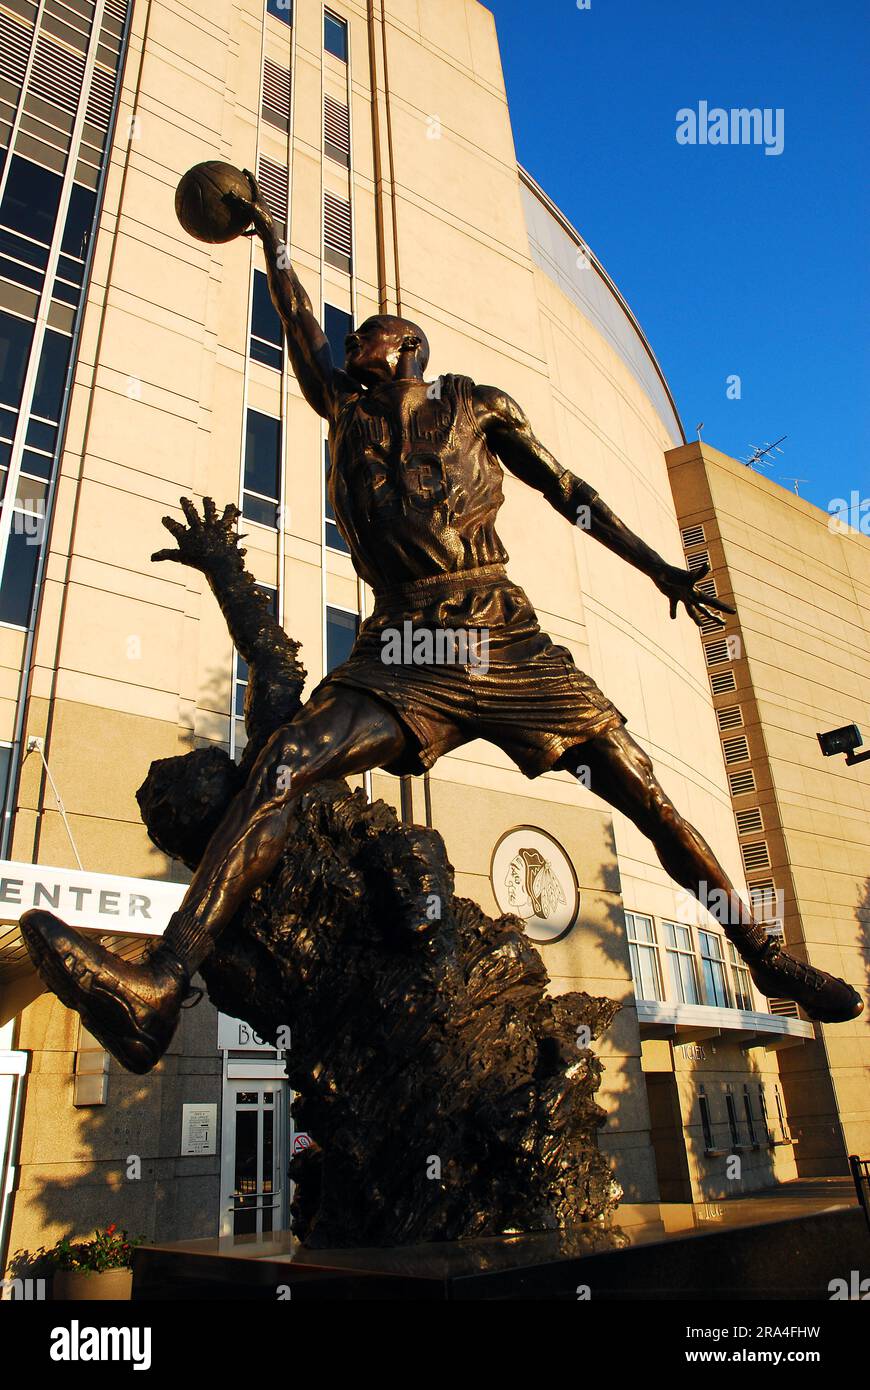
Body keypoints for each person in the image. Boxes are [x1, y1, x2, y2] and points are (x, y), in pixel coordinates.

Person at [22, 173, 862, 1073]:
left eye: (374, 329)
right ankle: (159, 980)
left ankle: (766, 957)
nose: (356, 337)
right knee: (283, 764)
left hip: (500, 631)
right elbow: (297, 319)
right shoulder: (342, 409)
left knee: (646, 795)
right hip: (406, 645)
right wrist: (268, 234)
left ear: (410, 346)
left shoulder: (479, 405)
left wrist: (657, 566)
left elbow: (567, 491)